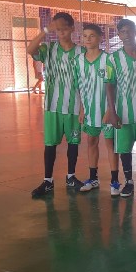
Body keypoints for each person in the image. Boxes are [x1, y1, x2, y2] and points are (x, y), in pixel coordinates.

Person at [28, 12, 85, 197]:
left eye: (64, 28)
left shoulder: (81, 52)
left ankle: (71, 177)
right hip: (52, 106)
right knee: (50, 144)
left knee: (73, 142)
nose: (60, 32)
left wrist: (84, 106)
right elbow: (30, 49)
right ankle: (48, 181)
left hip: (74, 106)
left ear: (72, 29)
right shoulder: (49, 49)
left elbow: (86, 80)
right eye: (57, 28)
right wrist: (45, 30)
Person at [105, 19, 136, 198]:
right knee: (124, 148)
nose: (126, 35)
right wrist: (112, 111)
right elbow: (109, 84)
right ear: (119, 35)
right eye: (122, 32)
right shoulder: (113, 58)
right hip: (122, 112)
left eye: (129, 31)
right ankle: (128, 182)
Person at [73, 24, 120, 195]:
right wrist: (82, 109)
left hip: (106, 111)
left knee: (110, 144)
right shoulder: (78, 61)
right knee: (91, 142)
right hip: (89, 110)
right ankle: (93, 178)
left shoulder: (108, 60)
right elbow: (79, 87)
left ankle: (115, 181)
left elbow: (113, 86)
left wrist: (110, 109)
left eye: (92, 36)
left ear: (100, 38)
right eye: (85, 36)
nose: (88, 39)